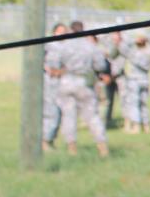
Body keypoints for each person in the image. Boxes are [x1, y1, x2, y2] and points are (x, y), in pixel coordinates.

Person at [44, 20, 111, 157]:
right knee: (92, 116)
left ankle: (72, 148)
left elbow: (53, 64)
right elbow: (100, 66)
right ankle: (102, 148)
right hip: (84, 83)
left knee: (69, 116)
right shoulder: (90, 46)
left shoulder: (63, 46)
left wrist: (63, 68)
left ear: (70, 30)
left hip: (66, 82)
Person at [40, 22, 69, 151]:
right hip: (49, 81)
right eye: (60, 31)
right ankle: (45, 140)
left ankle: (50, 139)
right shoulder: (48, 45)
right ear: (54, 32)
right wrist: (48, 69)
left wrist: (62, 71)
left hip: (63, 82)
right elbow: (38, 59)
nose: (62, 33)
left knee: (60, 112)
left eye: (64, 31)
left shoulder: (69, 46)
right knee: (51, 111)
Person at [119, 33, 150, 133]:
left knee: (134, 104)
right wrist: (147, 38)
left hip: (134, 80)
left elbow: (122, 47)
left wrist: (133, 40)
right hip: (145, 79)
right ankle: (146, 125)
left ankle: (136, 126)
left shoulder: (134, 53)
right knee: (144, 103)